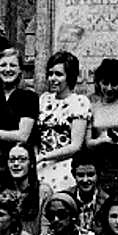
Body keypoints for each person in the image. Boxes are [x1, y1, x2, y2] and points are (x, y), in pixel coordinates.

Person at [0, 46, 38, 188]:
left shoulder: (29, 97)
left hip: (19, 163)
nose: (8, 69)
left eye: (13, 65)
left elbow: (23, 135)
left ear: (20, 70)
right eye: (3, 65)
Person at [36, 51, 91, 192]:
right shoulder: (44, 99)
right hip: (39, 166)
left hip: (64, 167)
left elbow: (75, 145)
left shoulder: (79, 102)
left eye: (59, 74)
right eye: (50, 73)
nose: (53, 78)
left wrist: (45, 157)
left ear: (70, 76)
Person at [85, 58, 118, 194]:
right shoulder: (91, 104)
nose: (109, 88)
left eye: (114, 84)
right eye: (105, 83)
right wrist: (101, 140)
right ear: (98, 83)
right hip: (97, 165)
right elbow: (87, 143)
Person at [0, 143, 51, 235]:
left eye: (22, 159)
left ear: (31, 164)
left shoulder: (43, 192)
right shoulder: (1, 192)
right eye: (12, 160)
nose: (16, 164)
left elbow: (46, 230)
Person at [72, 151, 108, 233]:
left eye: (90, 175)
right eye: (80, 175)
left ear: (98, 174)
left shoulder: (106, 202)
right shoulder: (66, 198)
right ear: (74, 175)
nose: (85, 180)